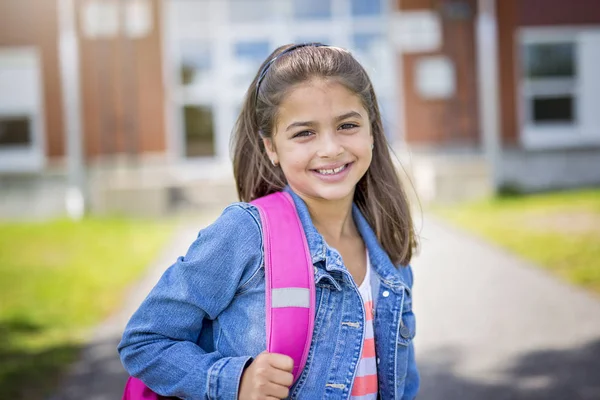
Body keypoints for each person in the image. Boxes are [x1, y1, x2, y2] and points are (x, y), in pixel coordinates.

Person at [118, 43, 419, 400]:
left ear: (372, 130)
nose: (330, 148)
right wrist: (233, 382)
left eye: (348, 125)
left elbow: (403, 384)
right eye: (304, 133)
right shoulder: (246, 234)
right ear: (271, 148)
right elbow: (145, 340)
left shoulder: (388, 253)